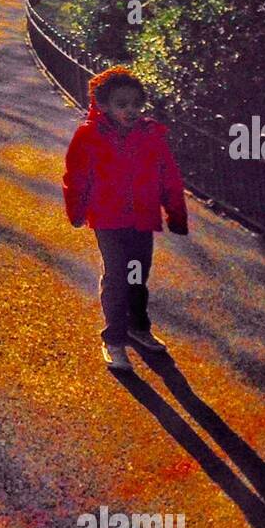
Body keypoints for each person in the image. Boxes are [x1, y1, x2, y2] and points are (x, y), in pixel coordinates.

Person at [62, 66, 188, 372]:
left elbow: (168, 176)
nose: (130, 110)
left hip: (142, 217)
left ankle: (137, 327)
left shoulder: (151, 135)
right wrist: (76, 212)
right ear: (103, 105)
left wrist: (175, 212)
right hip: (107, 219)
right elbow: (76, 177)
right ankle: (114, 338)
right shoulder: (89, 135)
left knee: (137, 275)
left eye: (136, 104)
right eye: (122, 104)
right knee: (117, 276)